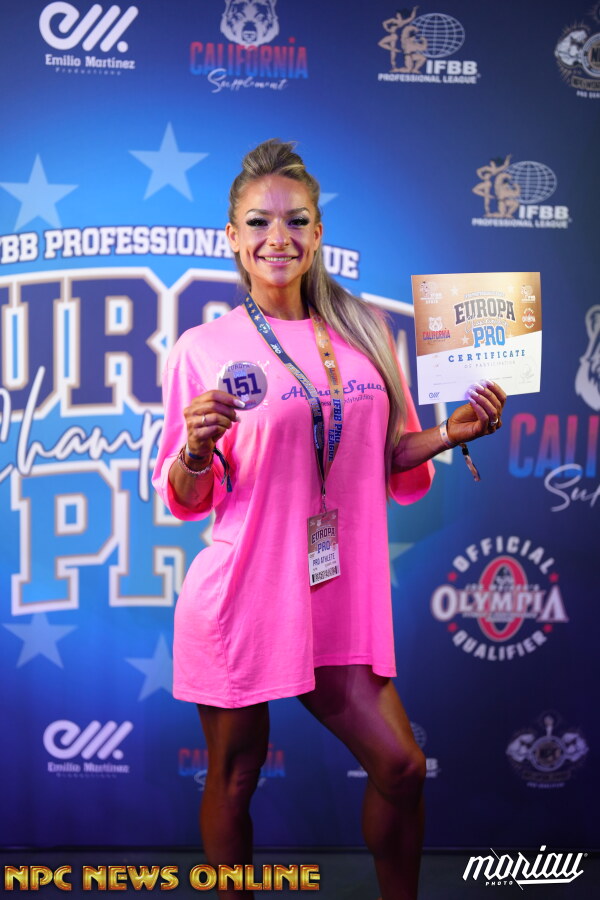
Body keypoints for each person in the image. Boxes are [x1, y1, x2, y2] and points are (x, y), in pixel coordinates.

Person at [152, 139, 506, 900]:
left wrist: (450, 434)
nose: (277, 237)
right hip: (244, 591)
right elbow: (184, 495)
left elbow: (388, 454)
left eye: (296, 220)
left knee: (401, 767)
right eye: (258, 222)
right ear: (233, 238)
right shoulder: (203, 348)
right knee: (235, 775)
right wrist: (196, 447)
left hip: (336, 590)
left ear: (317, 233)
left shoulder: (367, 331)